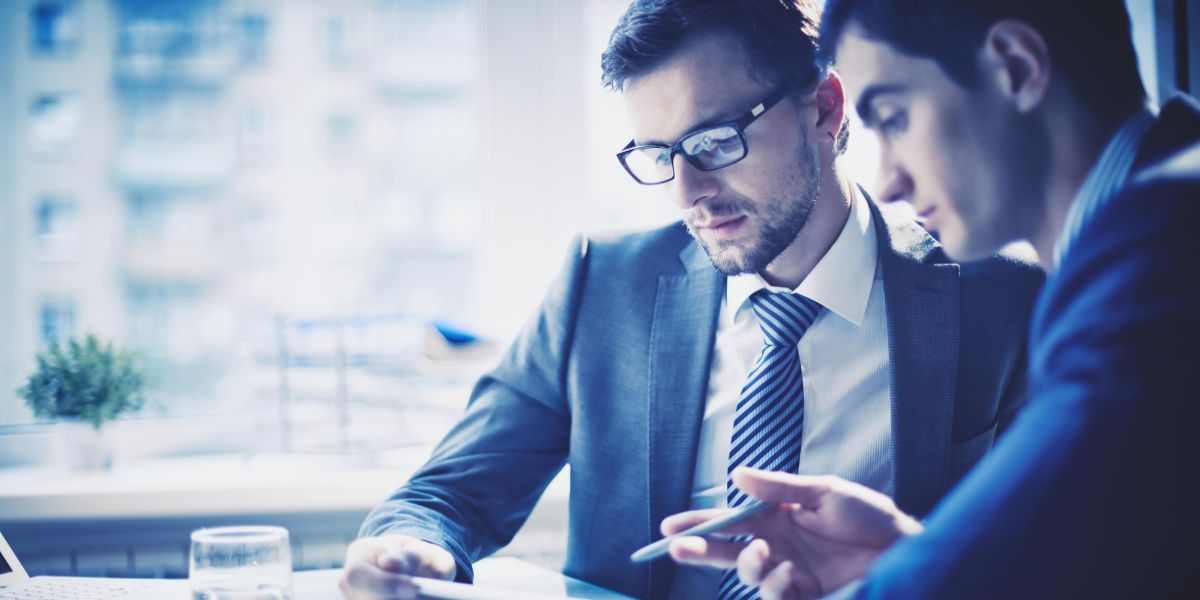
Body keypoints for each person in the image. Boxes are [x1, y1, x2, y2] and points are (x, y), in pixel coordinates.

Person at [338, 1, 1044, 598]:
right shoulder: (602, 285)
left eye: (714, 140)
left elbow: (1055, 556)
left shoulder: (997, 297)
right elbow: (449, 493)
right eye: (658, 155)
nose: (687, 191)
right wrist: (407, 552)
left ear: (824, 109)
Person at [663, 1, 1200, 598]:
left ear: (1016, 68)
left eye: (893, 118)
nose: (888, 180)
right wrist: (915, 554)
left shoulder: (1160, 257)